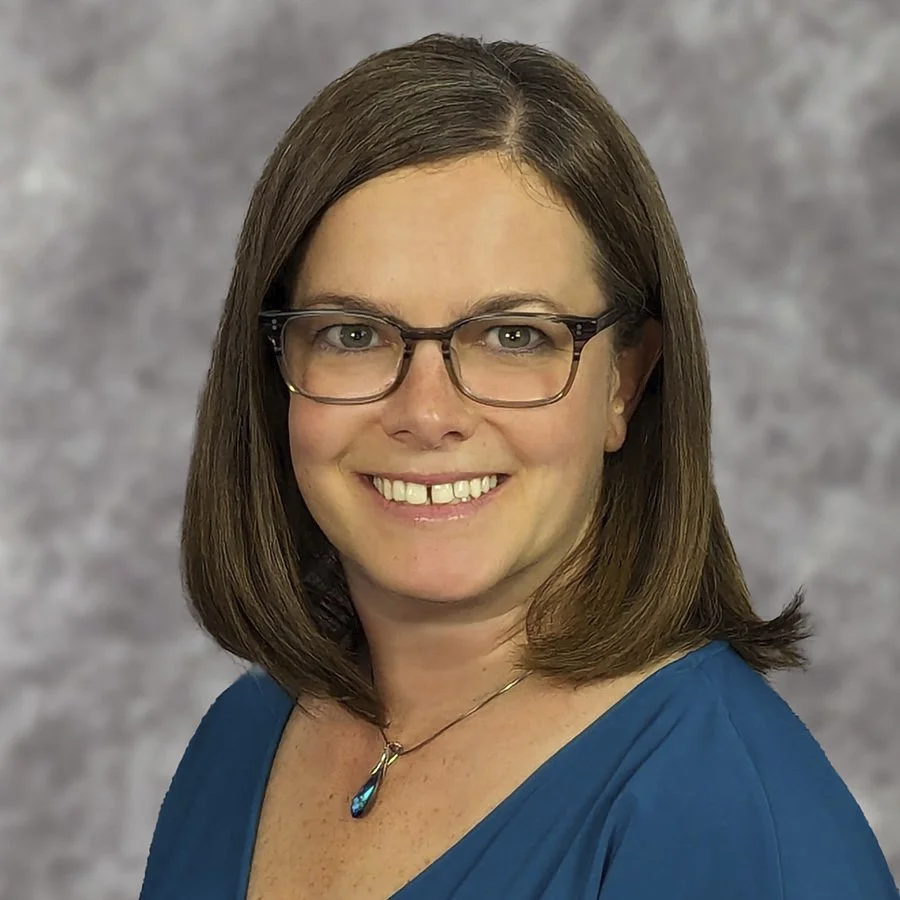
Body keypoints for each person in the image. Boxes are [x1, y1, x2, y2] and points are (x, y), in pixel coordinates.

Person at [138, 32, 898, 900]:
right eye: (352, 334)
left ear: (627, 382)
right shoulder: (243, 738)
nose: (427, 414)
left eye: (513, 337)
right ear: (275, 370)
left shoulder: (728, 822)